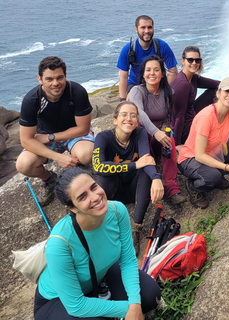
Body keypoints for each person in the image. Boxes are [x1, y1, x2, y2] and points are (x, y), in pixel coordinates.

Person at [34, 168, 161, 320]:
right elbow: (76, 305)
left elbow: (127, 260)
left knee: (149, 295)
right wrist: (128, 310)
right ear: (72, 208)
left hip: (98, 278)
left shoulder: (117, 211)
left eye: (94, 187)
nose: (95, 197)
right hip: (58, 300)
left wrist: (135, 303)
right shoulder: (60, 244)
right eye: (82, 197)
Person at [16, 56, 94, 206]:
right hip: (45, 136)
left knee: (86, 154)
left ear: (65, 76)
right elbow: (26, 139)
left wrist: (51, 137)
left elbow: (83, 129)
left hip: (73, 135)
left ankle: (80, 170)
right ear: (40, 79)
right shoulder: (32, 100)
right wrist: (58, 157)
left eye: (60, 78)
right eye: (49, 79)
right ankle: (49, 179)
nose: (55, 83)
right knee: (23, 164)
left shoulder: (76, 92)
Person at [92, 102, 163, 254]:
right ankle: (101, 225)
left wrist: (156, 178)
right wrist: (134, 165)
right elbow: (98, 166)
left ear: (137, 121)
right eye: (123, 114)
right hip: (112, 193)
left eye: (133, 115)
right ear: (115, 120)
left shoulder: (140, 133)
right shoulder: (103, 138)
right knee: (104, 176)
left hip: (133, 191)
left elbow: (147, 160)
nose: (128, 118)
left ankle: (135, 228)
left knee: (146, 171)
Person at [177, 77, 229, 209]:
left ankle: (218, 173)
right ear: (218, 93)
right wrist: (227, 168)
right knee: (212, 178)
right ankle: (194, 186)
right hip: (190, 158)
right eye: (227, 91)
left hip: (217, 149)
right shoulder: (206, 117)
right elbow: (200, 155)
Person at [128, 55, 187, 205]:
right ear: (143, 74)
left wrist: (167, 133)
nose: (152, 73)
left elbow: (168, 118)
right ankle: (152, 179)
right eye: (148, 70)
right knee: (142, 132)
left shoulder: (169, 93)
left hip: (158, 137)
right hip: (140, 137)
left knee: (169, 139)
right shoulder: (137, 91)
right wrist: (156, 132)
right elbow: (138, 113)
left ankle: (171, 188)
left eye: (156, 70)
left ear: (162, 74)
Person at [117, 15, 178, 101]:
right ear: (136, 29)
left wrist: (164, 89)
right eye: (143, 28)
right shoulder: (128, 49)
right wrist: (123, 99)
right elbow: (123, 76)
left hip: (157, 83)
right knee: (132, 103)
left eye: (149, 27)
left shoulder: (162, 46)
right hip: (136, 84)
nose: (147, 31)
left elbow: (173, 71)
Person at [170, 45, 220, 147]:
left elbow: (217, 84)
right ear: (183, 61)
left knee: (216, 91)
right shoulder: (182, 84)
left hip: (191, 117)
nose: (194, 63)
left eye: (197, 60)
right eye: (190, 60)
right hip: (185, 130)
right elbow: (179, 117)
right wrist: (178, 144)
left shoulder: (193, 78)